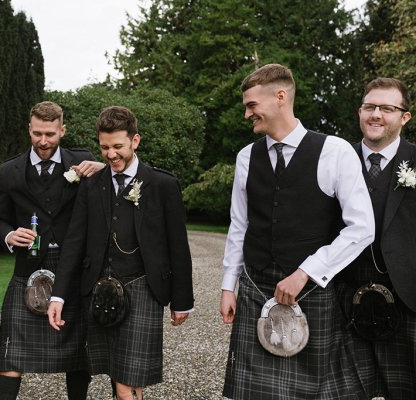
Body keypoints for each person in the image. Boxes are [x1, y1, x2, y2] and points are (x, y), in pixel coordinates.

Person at [219, 64, 375, 399]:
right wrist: (228, 285)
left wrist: (307, 271)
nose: (247, 114)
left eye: (251, 105)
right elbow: (240, 224)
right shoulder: (246, 157)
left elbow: (362, 227)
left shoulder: (334, 151)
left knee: (308, 392)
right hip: (256, 287)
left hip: (311, 291)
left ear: (279, 97)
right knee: (254, 393)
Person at [47, 105, 194, 400]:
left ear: (135, 141)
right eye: (104, 147)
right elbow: (74, 242)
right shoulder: (92, 186)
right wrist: (58, 295)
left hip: (143, 289)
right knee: (119, 374)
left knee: (128, 380)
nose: (111, 154)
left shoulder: (162, 184)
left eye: (118, 146)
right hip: (100, 291)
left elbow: (178, 245)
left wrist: (182, 300)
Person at [0, 101, 105, 399]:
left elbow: (111, 192)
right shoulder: (10, 171)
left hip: (74, 268)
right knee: (10, 356)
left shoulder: (83, 162)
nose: (43, 141)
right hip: (27, 267)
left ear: (62, 130)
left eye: (50, 134)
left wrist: (103, 168)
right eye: (37, 133)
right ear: (29, 129)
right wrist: (10, 234)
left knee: (78, 357)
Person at [336, 77, 416, 399]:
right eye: (370, 107)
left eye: (387, 108)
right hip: (344, 301)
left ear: (405, 117)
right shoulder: (337, 160)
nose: (376, 115)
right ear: (359, 111)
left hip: (407, 300)